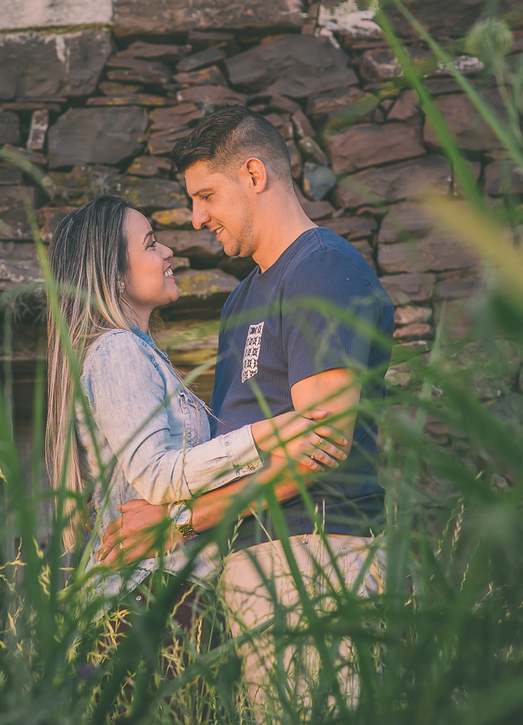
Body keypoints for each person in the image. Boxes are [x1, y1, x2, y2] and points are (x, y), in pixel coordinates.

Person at [96, 105, 395, 720]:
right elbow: (240, 447)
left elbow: (322, 444)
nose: (196, 218)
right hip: (250, 562)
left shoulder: (322, 266)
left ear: (255, 175)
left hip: (316, 554)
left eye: (206, 195)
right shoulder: (240, 301)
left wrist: (177, 521)